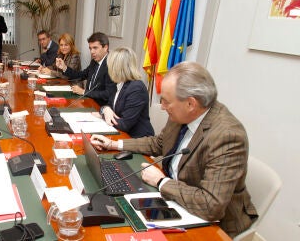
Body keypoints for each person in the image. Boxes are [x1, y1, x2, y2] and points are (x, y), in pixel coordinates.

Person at [90, 62, 258, 238]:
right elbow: (159, 143)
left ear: (190, 104)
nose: (162, 107)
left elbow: (211, 205)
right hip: (176, 201)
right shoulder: (183, 113)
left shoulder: (227, 136)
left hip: (213, 226)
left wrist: (161, 182)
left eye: (165, 101)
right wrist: (114, 145)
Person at [98, 47, 154, 137]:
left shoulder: (136, 88)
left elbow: (124, 124)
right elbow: (108, 105)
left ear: (116, 67)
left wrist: (103, 115)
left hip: (137, 140)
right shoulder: (119, 83)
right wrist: (105, 109)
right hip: (120, 134)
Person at [56, 32, 115, 106]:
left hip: (99, 106)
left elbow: (107, 94)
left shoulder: (111, 65)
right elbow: (80, 75)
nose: (92, 52)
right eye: (90, 48)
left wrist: (84, 92)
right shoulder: (94, 61)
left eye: (95, 48)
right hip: (87, 100)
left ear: (105, 47)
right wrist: (64, 68)